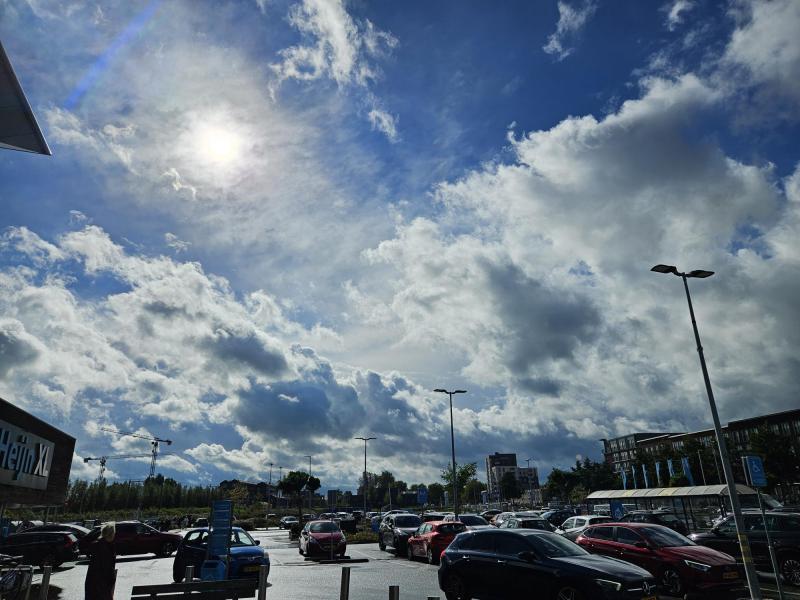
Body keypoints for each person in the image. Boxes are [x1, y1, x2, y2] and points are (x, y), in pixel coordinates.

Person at [85, 522, 116, 600]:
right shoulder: (106, 548)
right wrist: (111, 579)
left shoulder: (98, 545)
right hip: (101, 586)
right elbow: (106, 568)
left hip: (93, 584)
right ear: (111, 534)